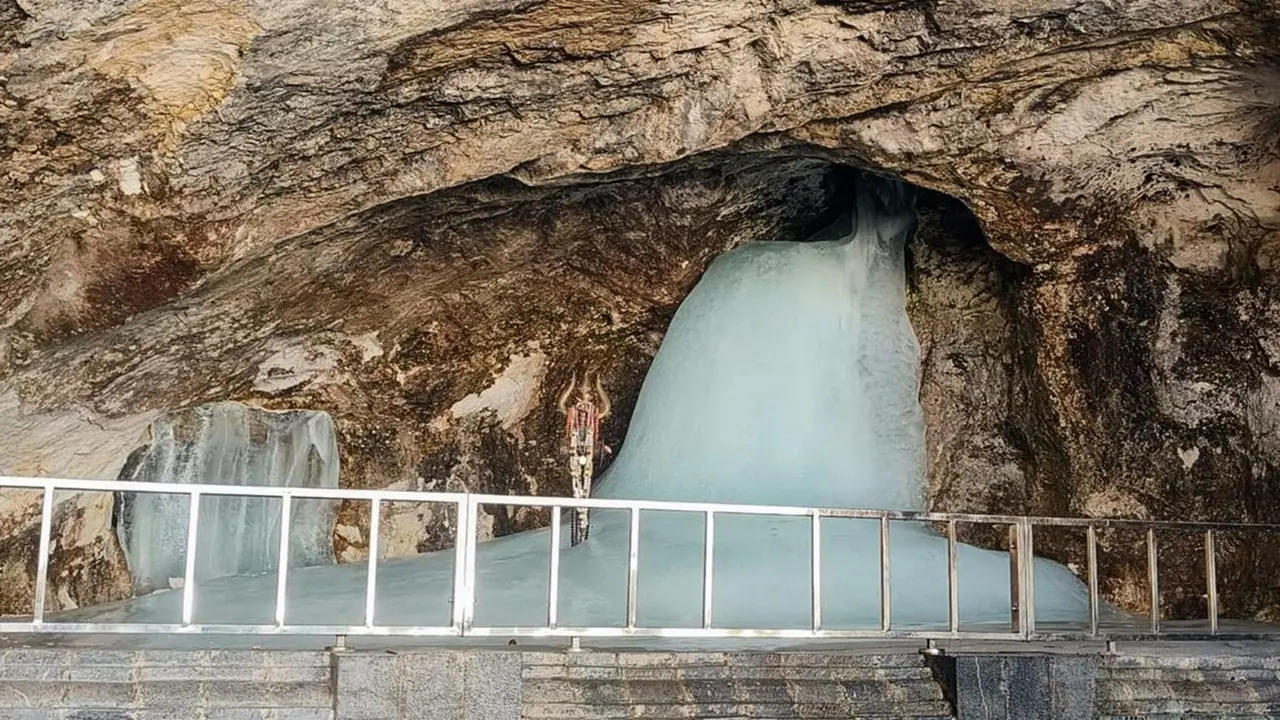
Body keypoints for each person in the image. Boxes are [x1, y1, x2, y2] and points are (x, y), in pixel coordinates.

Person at [557, 371, 611, 545]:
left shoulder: (593, 415)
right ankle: (580, 517)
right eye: (581, 395)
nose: (585, 398)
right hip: (576, 449)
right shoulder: (573, 413)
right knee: (577, 477)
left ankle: (583, 519)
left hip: (587, 449)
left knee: (586, 477)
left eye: (588, 395)